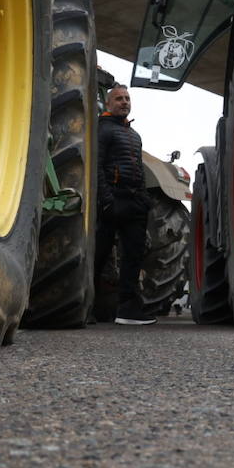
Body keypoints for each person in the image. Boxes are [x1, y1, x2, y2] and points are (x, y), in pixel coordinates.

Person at [95, 84, 155, 325]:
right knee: (99, 255)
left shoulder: (134, 135)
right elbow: (97, 166)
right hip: (113, 202)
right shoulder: (104, 130)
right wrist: (107, 199)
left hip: (134, 204)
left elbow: (138, 170)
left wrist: (144, 199)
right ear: (108, 104)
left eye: (127, 98)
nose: (124, 102)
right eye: (119, 98)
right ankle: (89, 306)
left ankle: (128, 309)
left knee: (134, 256)